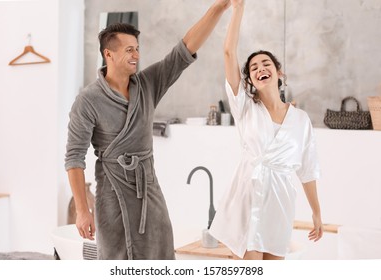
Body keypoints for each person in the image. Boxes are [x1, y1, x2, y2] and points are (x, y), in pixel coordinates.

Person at [65, 0, 231, 260]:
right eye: (130, 49)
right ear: (108, 54)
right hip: (113, 199)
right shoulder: (87, 100)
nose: (137, 55)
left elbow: (183, 51)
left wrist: (218, 8)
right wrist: (83, 210)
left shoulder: (148, 85)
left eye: (138, 49)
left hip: (150, 197)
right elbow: (74, 159)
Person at [209, 0, 323, 260]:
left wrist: (316, 212)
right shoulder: (245, 107)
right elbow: (228, 52)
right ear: (250, 80)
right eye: (254, 67)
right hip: (249, 198)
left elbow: (308, 169)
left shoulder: (301, 120)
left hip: (280, 204)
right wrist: (238, 9)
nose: (260, 68)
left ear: (279, 73)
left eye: (266, 64)